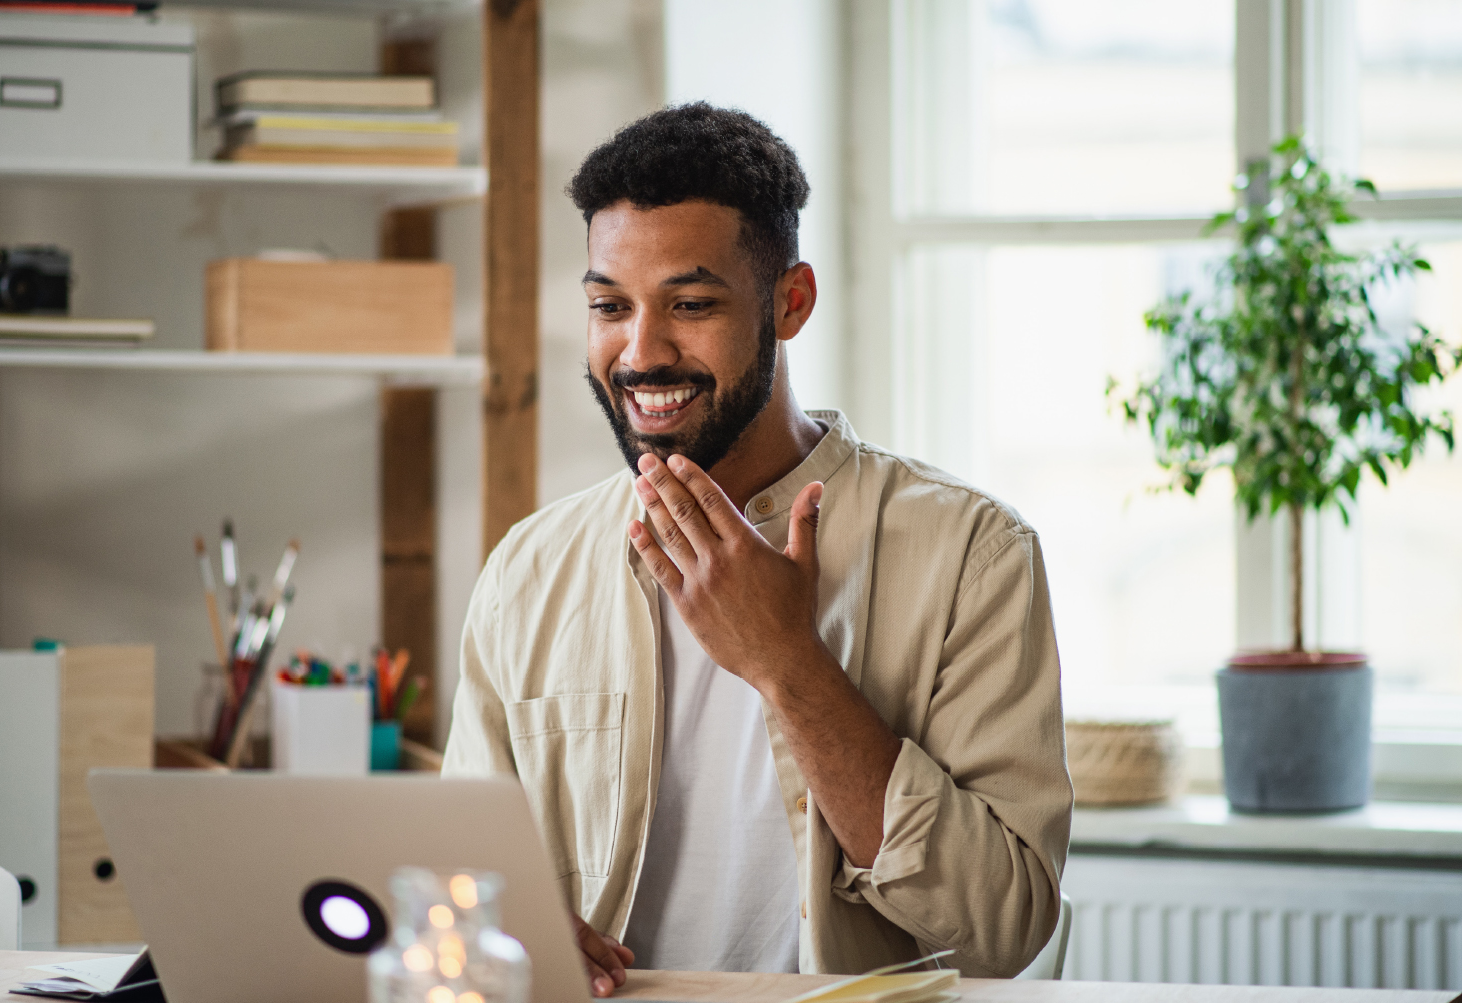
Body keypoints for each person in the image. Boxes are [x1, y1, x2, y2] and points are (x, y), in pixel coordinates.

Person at [441, 103, 1072, 997]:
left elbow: (1005, 930)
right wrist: (504, 925)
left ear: (792, 301)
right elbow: (456, 885)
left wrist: (787, 662)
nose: (641, 351)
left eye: (690, 304)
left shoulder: (974, 552)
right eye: (609, 306)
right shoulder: (528, 571)